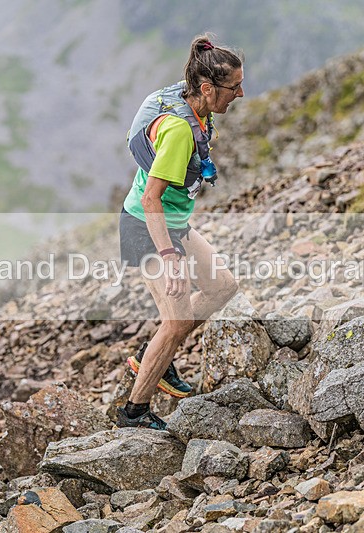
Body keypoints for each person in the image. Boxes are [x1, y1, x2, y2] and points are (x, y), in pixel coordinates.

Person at [117, 34, 244, 430]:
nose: (241, 93)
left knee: (222, 287)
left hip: (174, 222)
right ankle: (133, 413)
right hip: (146, 224)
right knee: (175, 321)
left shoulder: (191, 99)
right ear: (207, 89)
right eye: (234, 86)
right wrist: (170, 260)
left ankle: (153, 357)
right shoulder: (178, 132)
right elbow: (152, 199)